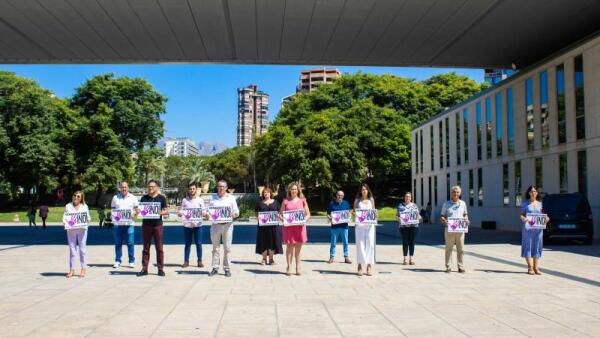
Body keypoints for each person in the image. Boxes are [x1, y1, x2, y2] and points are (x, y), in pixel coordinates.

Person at [208, 180, 239, 277]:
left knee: (227, 248)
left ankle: (227, 268)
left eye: (223, 186)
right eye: (219, 186)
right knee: (215, 248)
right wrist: (206, 214)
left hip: (227, 225)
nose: (221, 188)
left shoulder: (231, 198)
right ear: (217, 187)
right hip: (215, 225)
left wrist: (234, 214)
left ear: (226, 188)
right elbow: (208, 210)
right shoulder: (212, 198)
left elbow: (236, 211)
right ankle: (215, 267)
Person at [137, 180, 168, 277]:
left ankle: (160, 269)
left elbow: (166, 211)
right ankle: (144, 268)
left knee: (159, 248)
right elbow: (140, 210)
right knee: (145, 248)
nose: (151, 188)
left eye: (153, 186)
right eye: (149, 186)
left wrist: (159, 213)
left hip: (157, 225)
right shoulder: (143, 198)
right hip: (146, 225)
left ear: (157, 187)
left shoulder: (162, 198)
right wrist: (138, 211)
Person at [280, 182, 311, 276]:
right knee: (289, 247)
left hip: (300, 228)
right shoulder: (285, 201)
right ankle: (289, 267)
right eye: (292, 189)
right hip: (288, 228)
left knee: (298, 248)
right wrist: (284, 220)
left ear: (298, 190)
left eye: (295, 189)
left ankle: (298, 267)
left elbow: (308, 214)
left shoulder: (302, 200)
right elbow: (280, 214)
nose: (293, 191)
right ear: (289, 190)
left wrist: (303, 220)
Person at [519, 185, 549, 275]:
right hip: (528, 228)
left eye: (535, 191)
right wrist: (523, 218)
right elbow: (521, 214)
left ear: (537, 193)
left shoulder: (540, 203)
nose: (533, 193)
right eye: (531, 191)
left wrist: (547, 218)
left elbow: (543, 214)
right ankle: (530, 267)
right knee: (527, 246)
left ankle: (536, 267)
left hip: (538, 229)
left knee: (537, 246)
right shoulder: (525, 203)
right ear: (529, 193)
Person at [440, 186, 469, 273]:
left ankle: (461, 266)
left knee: (461, 249)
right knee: (448, 248)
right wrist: (444, 220)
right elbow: (441, 216)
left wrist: (466, 219)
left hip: (460, 230)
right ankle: (448, 266)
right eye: (454, 192)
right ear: (451, 193)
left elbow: (465, 214)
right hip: (449, 229)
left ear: (459, 193)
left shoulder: (463, 203)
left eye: (457, 192)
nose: (455, 193)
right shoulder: (446, 204)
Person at [111, 181, 139, 269]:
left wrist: (135, 213)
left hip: (129, 224)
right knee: (118, 243)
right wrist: (113, 215)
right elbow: (112, 209)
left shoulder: (133, 198)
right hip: (117, 225)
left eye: (125, 187)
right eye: (122, 187)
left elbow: (137, 210)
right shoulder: (115, 197)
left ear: (128, 188)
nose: (124, 189)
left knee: (130, 243)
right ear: (120, 188)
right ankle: (117, 260)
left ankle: (131, 261)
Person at [63, 191, 91, 278]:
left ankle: (83, 268)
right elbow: (64, 217)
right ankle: (72, 269)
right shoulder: (68, 206)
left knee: (82, 250)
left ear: (81, 198)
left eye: (78, 196)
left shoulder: (84, 206)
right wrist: (65, 223)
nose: (76, 197)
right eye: (74, 195)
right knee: (72, 250)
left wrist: (87, 220)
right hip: (71, 230)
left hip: (82, 230)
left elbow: (88, 218)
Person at [179, 182, 206, 268]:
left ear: (196, 190)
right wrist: (180, 213)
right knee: (187, 244)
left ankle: (200, 261)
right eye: (190, 189)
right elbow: (181, 210)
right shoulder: (184, 200)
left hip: (198, 225)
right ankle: (186, 261)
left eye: (193, 189)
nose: (192, 190)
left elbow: (204, 210)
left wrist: (205, 214)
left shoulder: (200, 200)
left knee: (199, 243)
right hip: (187, 225)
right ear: (188, 190)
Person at [255, 187, 283, 265]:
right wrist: (259, 219)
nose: (266, 194)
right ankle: (264, 259)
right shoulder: (260, 203)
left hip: (274, 227)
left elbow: (279, 213)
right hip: (263, 227)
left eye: (267, 192)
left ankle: (271, 259)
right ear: (263, 194)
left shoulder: (276, 202)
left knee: (272, 242)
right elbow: (256, 213)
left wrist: (283, 219)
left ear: (271, 193)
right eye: (264, 192)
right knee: (263, 242)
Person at [354, 184, 376, 276]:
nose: (364, 191)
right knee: (360, 244)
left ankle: (369, 265)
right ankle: (359, 265)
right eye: (362, 189)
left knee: (370, 244)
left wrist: (376, 214)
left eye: (365, 189)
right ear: (360, 191)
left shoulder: (371, 200)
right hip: (360, 226)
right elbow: (354, 211)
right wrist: (354, 214)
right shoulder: (357, 200)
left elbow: (374, 211)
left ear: (368, 190)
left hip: (370, 226)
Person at [326, 191, 352, 264]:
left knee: (345, 242)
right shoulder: (331, 204)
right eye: (338, 195)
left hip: (344, 226)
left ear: (343, 196)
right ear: (336, 195)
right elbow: (328, 214)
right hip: (335, 227)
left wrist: (349, 217)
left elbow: (349, 213)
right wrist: (330, 218)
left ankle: (346, 257)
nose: (340, 196)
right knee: (333, 242)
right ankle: (331, 257)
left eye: (341, 195)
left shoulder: (346, 203)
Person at [396, 192, 421, 265]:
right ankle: (405, 259)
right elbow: (397, 216)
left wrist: (419, 217)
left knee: (412, 242)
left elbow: (417, 215)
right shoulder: (400, 206)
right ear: (404, 197)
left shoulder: (414, 206)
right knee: (405, 242)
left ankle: (411, 258)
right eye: (406, 196)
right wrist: (399, 219)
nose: (407, 198)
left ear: (411, 198)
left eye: (409, 197)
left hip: (413, 227)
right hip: (403, 227)